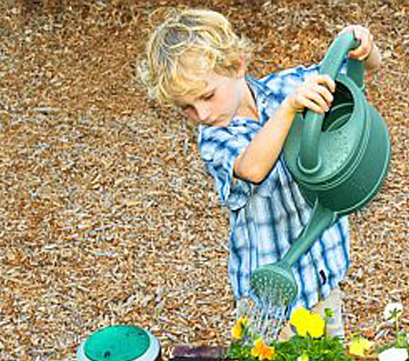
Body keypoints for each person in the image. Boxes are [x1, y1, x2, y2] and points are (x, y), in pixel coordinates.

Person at [137, 8, 382, 339]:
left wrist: (364, 48)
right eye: (187, 107)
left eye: (207, 95)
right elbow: (253, 168)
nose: (202, 113)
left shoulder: (288, 86)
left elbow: (356, 70)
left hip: (322, 272)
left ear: (237, 65)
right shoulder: (214, 138)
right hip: (271, 296)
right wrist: (289, 109)